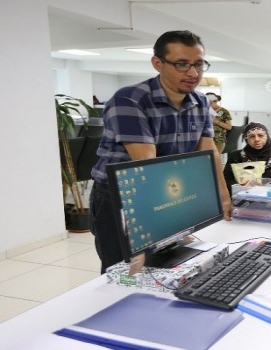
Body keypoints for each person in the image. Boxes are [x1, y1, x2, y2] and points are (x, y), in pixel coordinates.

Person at [89, 30, 233, 274]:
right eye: (182, 64)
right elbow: (146, 163)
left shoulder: (199, 102)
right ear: (158, 63)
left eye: (199, 64)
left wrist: (224, 198)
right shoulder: (130, 99)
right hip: (123, 197)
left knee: (166, 265)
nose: (193, 73)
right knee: (124, 270)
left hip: (170, 189)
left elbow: (209, 152)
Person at [223, 122, 271, 194]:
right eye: (252, 136)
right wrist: (241, 187)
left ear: (267, 136)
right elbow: (226, 180)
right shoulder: (236, 156)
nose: (257, 139)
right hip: (243, 198)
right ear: (246, 139)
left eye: (260, 135)